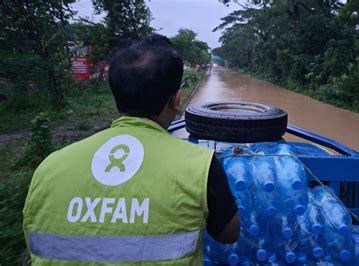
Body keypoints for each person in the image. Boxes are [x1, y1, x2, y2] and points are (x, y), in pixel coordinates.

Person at [23, 34, 240, 265]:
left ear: (117, 96)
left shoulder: (49, 167)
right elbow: (228, 235)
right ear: (176, 100)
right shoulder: (200, 166)